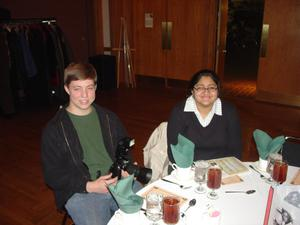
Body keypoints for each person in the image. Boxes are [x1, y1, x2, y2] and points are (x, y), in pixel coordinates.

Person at [41, 62, 139, 225]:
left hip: (117, 182)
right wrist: (89, 186)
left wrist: (126, 168)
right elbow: (52, 176)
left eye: (89, 88)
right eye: (77, 88)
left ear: (95, 87)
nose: (84, 95)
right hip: (81, 190)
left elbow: (124, 147)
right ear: (66, 88)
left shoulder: (109, 119)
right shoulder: (54, 130)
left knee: (149, 214)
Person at [167, 69, 242, 164]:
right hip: (187, 167)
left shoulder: (229, 111)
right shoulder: (179, 112)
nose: (206, 92)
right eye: (200, 87)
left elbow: (236, 150)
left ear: (218, 90)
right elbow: (174, 152)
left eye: (211, 87)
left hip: (220, 167)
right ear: (192, 91)